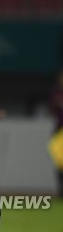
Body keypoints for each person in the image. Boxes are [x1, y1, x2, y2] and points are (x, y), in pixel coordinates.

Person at [48, 69, 63, 197]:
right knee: (59, 162)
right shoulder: (57, 93)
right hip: (60, 131)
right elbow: (52, 109)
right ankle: (61, 190)